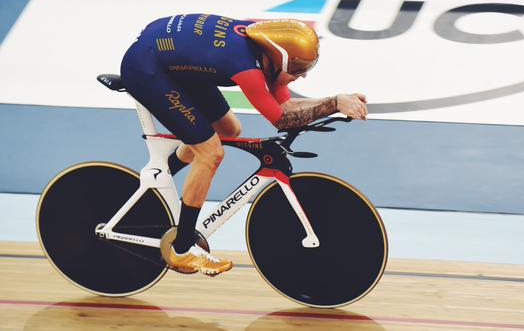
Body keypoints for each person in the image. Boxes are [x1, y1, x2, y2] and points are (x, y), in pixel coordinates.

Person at [120, 14, 368, 276]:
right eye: (298, 68)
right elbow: (282, 120)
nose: (303, 75)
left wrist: (337, 100)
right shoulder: (246, 67)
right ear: (278, 59)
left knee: (229, 130)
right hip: (147, 69)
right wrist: (334, 104)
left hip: (172, 62)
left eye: (307, 67)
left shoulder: (266, 51)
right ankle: (182, 249)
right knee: (210, 153)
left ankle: (161, 175)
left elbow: (286, 106)